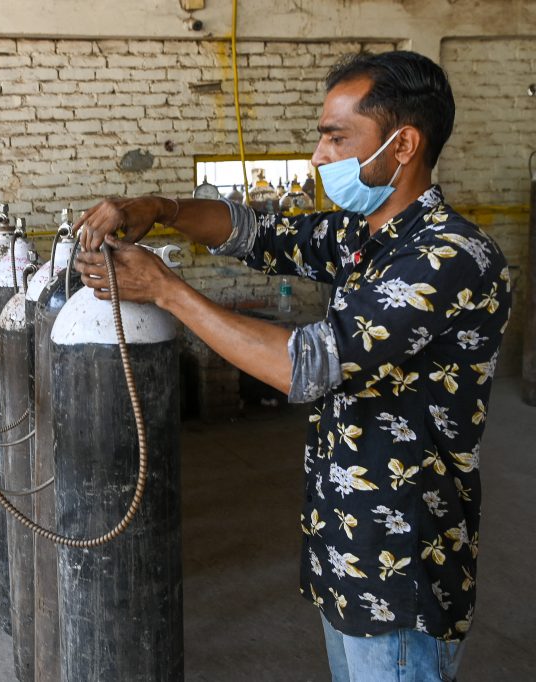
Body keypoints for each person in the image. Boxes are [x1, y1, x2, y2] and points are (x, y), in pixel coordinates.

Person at [74, 51, 511, 681]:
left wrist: (167, 291)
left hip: (402, 559)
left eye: (336, 136)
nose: (317, 155)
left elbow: (307, 364)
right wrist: (160, 206)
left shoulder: (450, 256)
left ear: (404, 142)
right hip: (346, 541)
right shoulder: (364, 235)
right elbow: (256, 232)